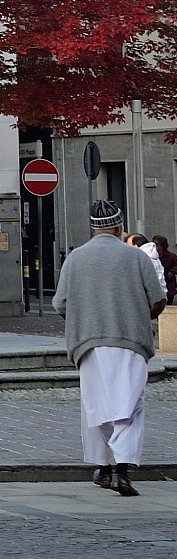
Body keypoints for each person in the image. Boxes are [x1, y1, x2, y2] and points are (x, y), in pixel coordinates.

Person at [51, 199, 168, 497]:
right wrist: (141, 314)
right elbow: (158, 299)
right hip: (129, 340)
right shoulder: (136, 258)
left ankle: (102, 467)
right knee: (129, 406)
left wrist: (84, 315)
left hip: (88, 341)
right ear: (118, 227)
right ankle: (122, 471)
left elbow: (60, 303)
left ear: (92, 228)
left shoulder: (76, 258)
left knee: (96, 405)